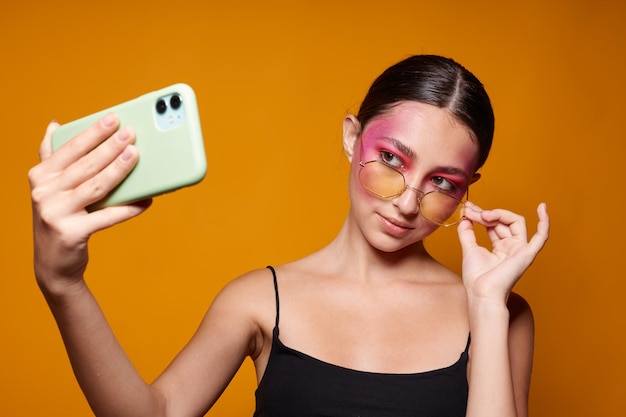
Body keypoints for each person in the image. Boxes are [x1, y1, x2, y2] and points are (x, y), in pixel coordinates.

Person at [29, 54, 549, 417]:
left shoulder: (503, 314)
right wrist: (64, 285)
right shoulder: (258, 300)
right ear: (352, 137)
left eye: (442, 182)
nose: (408, 202)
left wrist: (485, 305)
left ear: (467, 190)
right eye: (391, 159)